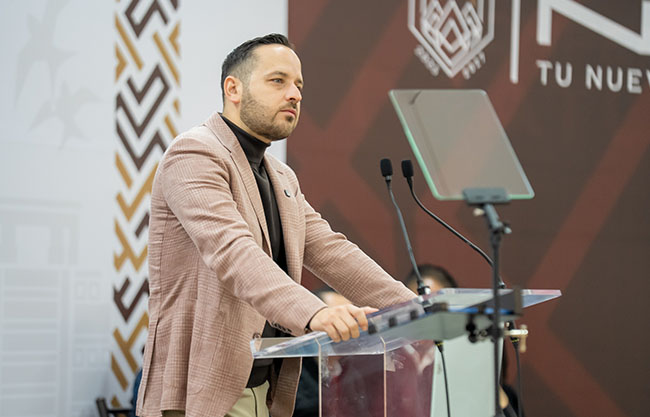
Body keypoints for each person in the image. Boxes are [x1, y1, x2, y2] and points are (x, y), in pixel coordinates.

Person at [135, 34, 415, 417]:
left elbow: (332, 251)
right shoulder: (193, 153)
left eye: (299, 85)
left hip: (263, 390)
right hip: (203, 391)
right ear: (233, 89)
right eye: (278, 81)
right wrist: (315, 313)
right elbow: (234, 253)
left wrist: (415, 308)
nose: (295, 95)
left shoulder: (282, 176)